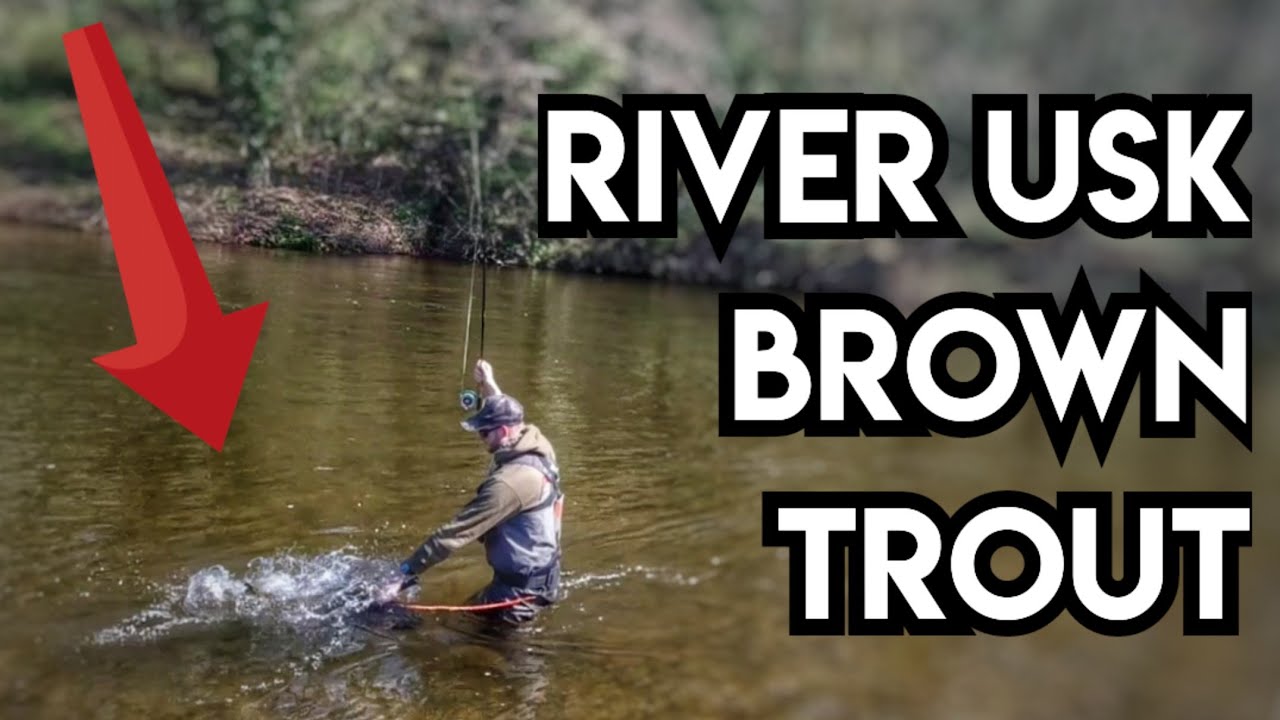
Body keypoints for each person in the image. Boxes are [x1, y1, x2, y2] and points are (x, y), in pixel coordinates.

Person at [391, 359, 565, 626]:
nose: (480, 437)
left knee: (461, 643)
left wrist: (402, 575)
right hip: (540, 578)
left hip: (519, 596)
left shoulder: (509, 485)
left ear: (504, 431)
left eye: (484, 433)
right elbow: (511, 415)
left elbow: (454, 534)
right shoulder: (537, 445)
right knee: (463, 622)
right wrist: (489, 385)